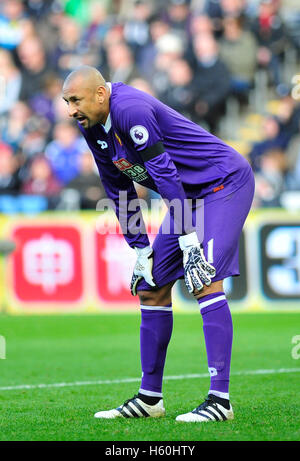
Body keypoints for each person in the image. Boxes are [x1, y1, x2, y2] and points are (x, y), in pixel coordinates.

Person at [62, 65, 255, 423]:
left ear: (100, 95)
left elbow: (164, 174)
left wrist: (188, 240)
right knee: (150, 286)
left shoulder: (130, 109)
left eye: (75, 100)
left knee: (204, 279)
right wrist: (139, 248)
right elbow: (116, 187)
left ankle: (220, 400)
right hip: (187, 196)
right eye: (66, 102)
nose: (70, 109)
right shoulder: (91, 125)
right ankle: (150, 399)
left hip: (222, 184)